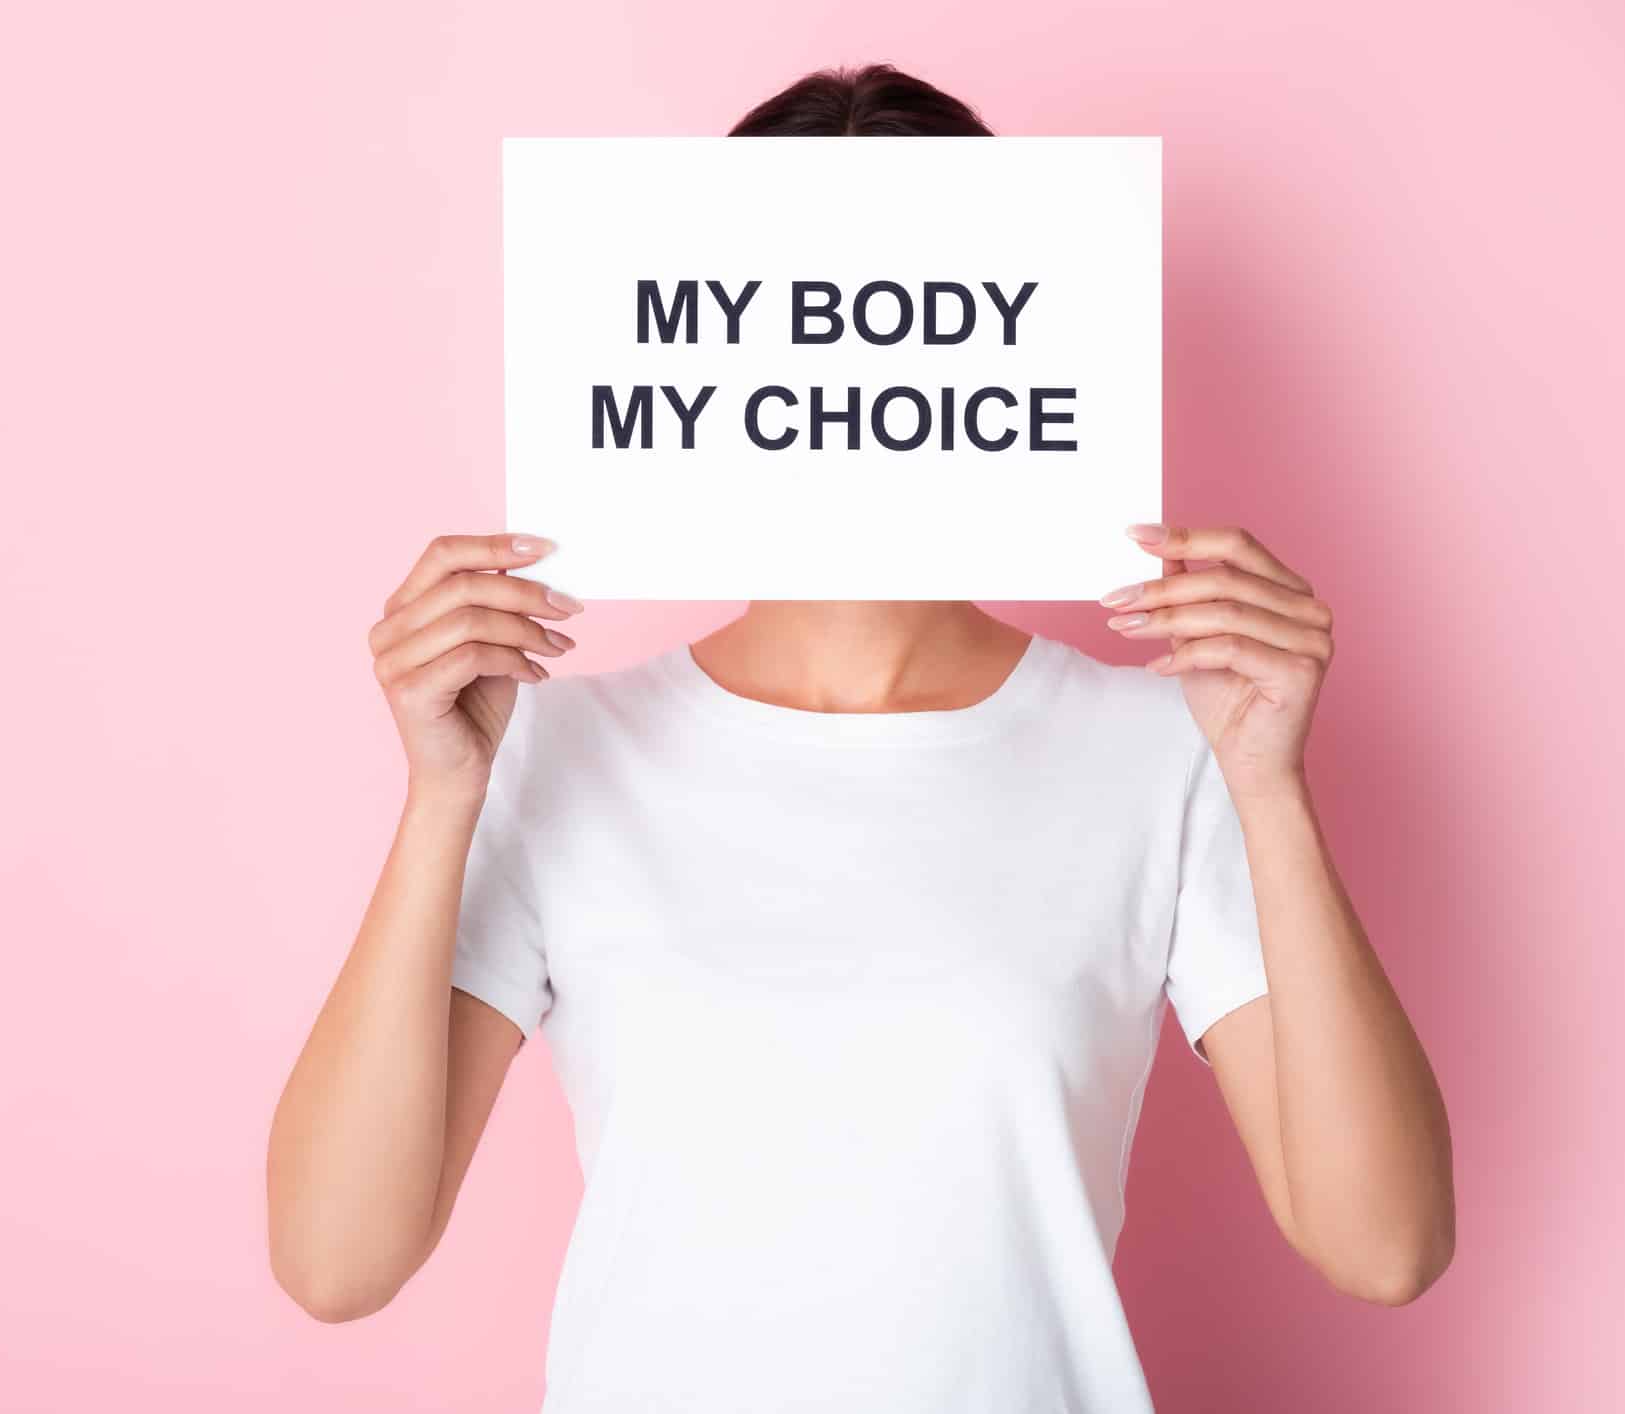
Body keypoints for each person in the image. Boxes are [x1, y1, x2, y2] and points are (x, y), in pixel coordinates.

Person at [266, 65, 1453, 1413]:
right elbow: (333, 1256)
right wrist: (438, 799)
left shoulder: (1165, 754)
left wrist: (1271, 788)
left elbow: (1387, 1241)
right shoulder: (558, 751)